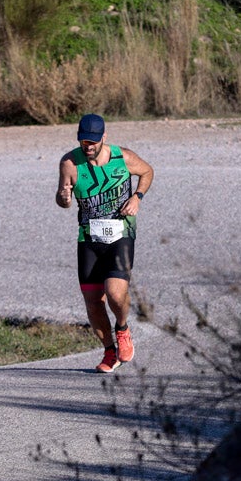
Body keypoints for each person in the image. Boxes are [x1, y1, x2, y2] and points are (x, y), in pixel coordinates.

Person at [56, 114, 155, 373]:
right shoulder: (69, 163)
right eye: (83, 141)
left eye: (92, 141)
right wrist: (64, 198)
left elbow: (147, 171)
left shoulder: (123, 158)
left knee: (115, 293)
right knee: (92, 301)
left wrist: (137, 197)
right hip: (88, 238)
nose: (87, 146)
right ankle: (110, 351)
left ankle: (122, 328)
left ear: (104, 138)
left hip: (121, 234)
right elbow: (63, 199)